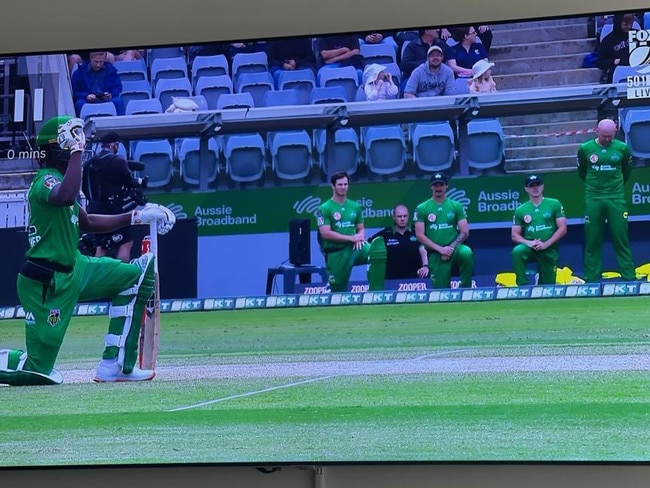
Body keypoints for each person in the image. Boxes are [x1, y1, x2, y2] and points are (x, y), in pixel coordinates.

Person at [0, 115, 176, 386]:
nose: (77, 149)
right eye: (70, 143)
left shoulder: (60, 180)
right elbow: (66, 195)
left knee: (135, 275)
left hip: (76, 267)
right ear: (56, 148)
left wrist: (137, 216)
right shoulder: (45, 180)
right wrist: (77, 151)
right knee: (40, 370)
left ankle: (116, 365)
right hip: (47, 282)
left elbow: (89, 222)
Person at [577, 118, 636, 282]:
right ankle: (591, 279)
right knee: (592, 239)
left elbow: (626, 172)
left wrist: (614, 189)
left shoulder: (623, 148)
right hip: (593, 198)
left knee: (621, 238)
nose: (607, 139)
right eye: (604, 136)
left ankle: (629, 277)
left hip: (616, 198)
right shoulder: (585, 149)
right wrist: (595, 188)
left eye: (610, 136)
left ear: (615, 132)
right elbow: (582, 172)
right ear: (597, 131)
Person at [82, 131, 148, 262]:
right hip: (113, 211)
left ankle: (96, 277)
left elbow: (85, 188)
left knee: (101, 246)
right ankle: (121, 277)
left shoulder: (90, 163)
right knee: (126, 243)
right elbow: (130, 183)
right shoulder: (118, 161)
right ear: (114, 145)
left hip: (94, 211)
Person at [316, 171, 386, 292]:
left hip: (355, 248)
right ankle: (331, 289)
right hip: (336, 252)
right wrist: (351, 238)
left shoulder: (355, 206)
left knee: (375, 252)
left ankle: (375, 290)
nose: (343, 187)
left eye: (345, 184)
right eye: (340, 185)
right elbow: (325, 233)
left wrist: (360, 237)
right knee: (337, 291)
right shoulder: (324, 208)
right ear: (333, 186)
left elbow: (361, 228)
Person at [414, 172, 474, 288]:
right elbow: (419, 235)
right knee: (440, 292)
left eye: (441, 184)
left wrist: (450, 248)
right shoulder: (422, 208)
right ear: (431, 186)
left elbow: (465, 231)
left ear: (446, 185)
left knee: (466, 252)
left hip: (454, 248)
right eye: (435, 185)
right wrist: (441, 249)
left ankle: (466, 287)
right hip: (436, 252)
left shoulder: (456, 206)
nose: (438, 188)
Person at [511, 174, 567, 286]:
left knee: (548, 287)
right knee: (517, 251)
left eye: (538, 185)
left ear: (542, 186)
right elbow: (514, 235)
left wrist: (546, 244)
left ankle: (541, 281)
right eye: (531, 186)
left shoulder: (554, 204)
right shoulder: (521, 210)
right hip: (530, 247)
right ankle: (523, 285)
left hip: (549, 248)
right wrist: (529, 243)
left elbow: (563, 228)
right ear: (526, 189)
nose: (535, 188)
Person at [369, 204, 429, 280]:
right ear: (394, 217)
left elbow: (423, 250)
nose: (402, 219)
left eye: (405, 216)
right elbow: (369, 245)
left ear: (408, 216)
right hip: (390, 280)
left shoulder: (416, 232)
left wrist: (425, 266)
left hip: (414, 279)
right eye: (399, 216)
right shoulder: (385, 234)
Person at [71, 51, 125, 116]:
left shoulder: (111, 71)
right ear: (91, 58)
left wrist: (111, 95)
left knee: (118, 102)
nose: (98, 65)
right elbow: (75, 91)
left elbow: (118, 87)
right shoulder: (79, 72)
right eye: (96, 62)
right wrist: (86, 96)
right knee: (79, 103)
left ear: (104, 60)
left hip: (106, 99)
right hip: (87, 100)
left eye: (101, 62)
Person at [596, 13, 635, 83]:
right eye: (625, 25)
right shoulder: (607, 40)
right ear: (618, 23)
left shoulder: (638, 34)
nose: (629, 27)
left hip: (639, 73)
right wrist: (613, 61)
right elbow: (600, 63)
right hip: (619, 75)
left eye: (630, 24)